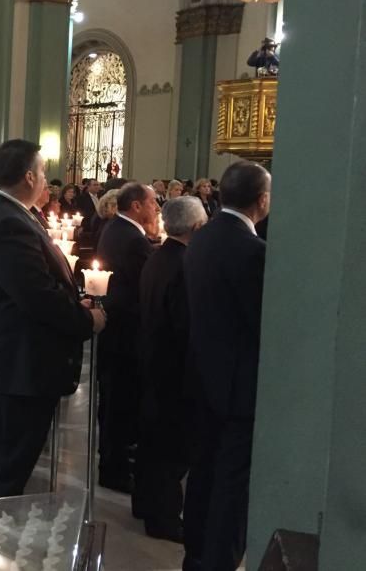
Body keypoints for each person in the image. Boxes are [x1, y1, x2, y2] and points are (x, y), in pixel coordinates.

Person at [0, 140, 104, 498]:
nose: (45, 180)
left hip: (15, 361)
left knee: (7, 464)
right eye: (42, 171)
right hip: (17, 364)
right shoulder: (8, 222)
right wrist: (86, 320)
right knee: (5, 470)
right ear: (28, 176)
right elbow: (36, 296)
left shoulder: (6, 213)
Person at [183, 161, 269, 571]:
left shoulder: (202, 238)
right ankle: (218, 562)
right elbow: (259, 322)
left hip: (203, 376)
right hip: (238, 386)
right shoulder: (252, 251)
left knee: (203, 472)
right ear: (263, 199)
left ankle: (195, 554)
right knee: (233, 486)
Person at [136, 196, 207, 543]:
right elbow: (185, 325)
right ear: (196, 227)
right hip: (173, 369)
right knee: (171, 450)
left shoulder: (159, 257)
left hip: (152, 361)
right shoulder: (184, 265)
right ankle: (162, 518)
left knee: (152, 443)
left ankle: (144, 504)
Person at [95, 182, 159, 494]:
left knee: (113, 402)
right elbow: (145, 282)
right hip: (125, 333)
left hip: (115, 329)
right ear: (136, 206)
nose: (156, 208)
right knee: (120, 403)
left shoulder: (117, 229)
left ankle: (113, 461)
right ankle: (114, 469)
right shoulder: (132, 238)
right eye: (152, 203)